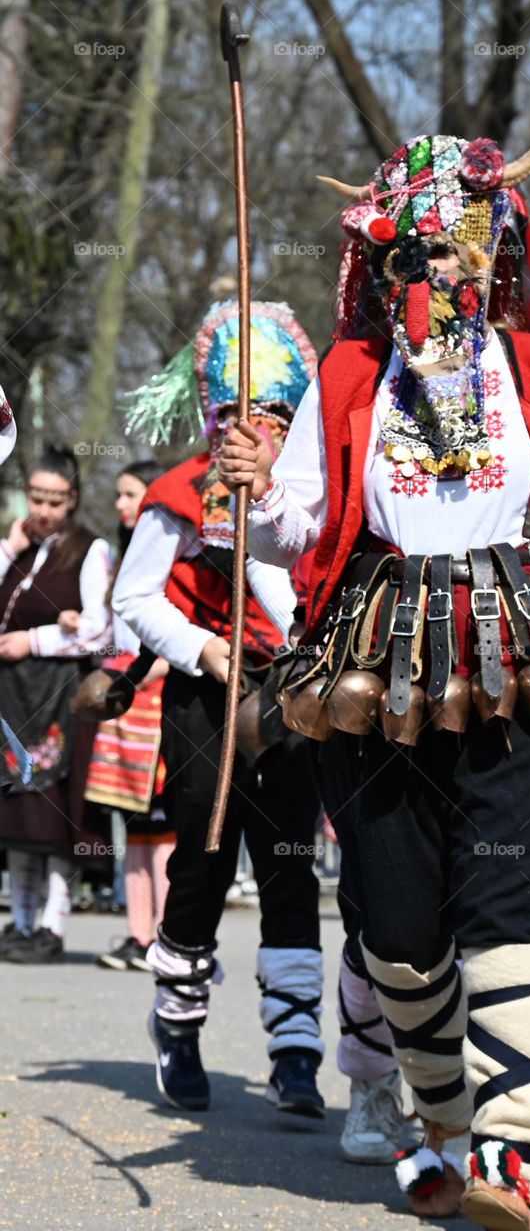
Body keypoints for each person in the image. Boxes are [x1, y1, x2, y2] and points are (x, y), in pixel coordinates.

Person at [220, 125, 530, 1228]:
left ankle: (508, 1149)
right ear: (381, 267)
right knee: (400, 927)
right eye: (413, 254)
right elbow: (309, 530)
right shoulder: (349, 380)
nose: (436, 270)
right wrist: (255, 486)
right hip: (377, 663)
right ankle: (436, 1124)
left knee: (506, 902)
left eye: (458, 249)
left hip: (522, 654)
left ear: (494, 251)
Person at [115, 295, 326, 1116]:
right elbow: (136, 598)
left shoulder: (306, 500)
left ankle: (297, 1048)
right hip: (208, 697)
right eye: (239, 412)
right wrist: (201, 647)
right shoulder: (181, 490)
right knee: (202, 860)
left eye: (273, 413)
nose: (256, 428)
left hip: (293, 695)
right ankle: (178, 1021)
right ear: (214, 415)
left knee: (289, 868)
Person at [0, 445, 112, 963]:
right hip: (11, 695)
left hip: (57, 695)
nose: (43, 510)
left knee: (53, 815)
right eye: (36, 498)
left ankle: (52, 925)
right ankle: (19, 923)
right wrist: (7, 548)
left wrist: (38, 639)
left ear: (73, 499)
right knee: (17, 817)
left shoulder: (89, 550)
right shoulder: (17, 549)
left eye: (55, 500)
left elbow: (98, 630)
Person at [82, 460, 174, 971]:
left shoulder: (171, 558)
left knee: (163, 824)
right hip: (123, 705)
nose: (120, 504)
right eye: (117, 494)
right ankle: (138, 934)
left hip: (157, 702)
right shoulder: (116, 561)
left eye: (130, 494)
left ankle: (165, 934)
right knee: (135, 824)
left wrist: (147, 672)